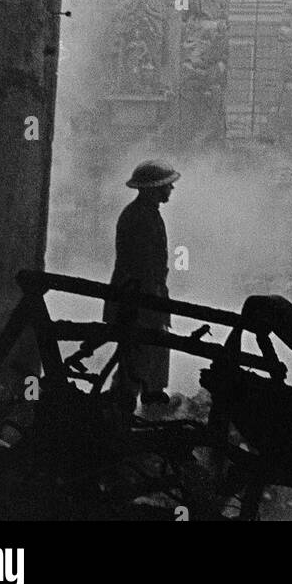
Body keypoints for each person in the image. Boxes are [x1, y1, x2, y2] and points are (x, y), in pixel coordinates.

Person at [104, 160, 180, 412]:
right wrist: (150, 300)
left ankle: (140, 401)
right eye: (167, 186)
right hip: (137, 299)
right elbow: (143, 265)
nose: (170, 190)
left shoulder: (142, 213)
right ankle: (122, 413)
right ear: (153, 189)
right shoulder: (140, 216)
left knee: (140, 356)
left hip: (144, 296)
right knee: (135, 361)